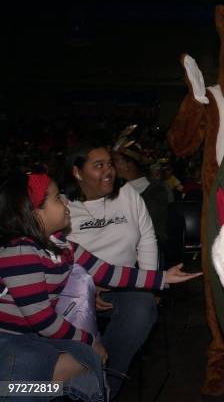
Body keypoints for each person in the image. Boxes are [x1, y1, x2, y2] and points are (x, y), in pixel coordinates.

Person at [0, 172, 201, 401]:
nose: (66, 201)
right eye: (57, 198)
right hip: (10, 339)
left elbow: (108, 272)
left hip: (36, 337)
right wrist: (89, 341)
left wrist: (162, 278)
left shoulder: (62, 246)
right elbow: (43, 320)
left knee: (88, 366)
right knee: (27, 382)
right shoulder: (19, 252)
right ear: (34, 213)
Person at [64, 141, 160, 398]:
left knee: (141, 306)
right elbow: (58, 258)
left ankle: (101, 387)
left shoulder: (127, 194)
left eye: (110, 164)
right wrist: (84, 291)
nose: (108, 171)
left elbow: (147, 240)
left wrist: (149, 283)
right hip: (75, 291)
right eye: (98, 166)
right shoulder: (62, 206)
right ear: (77, 172)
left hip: (124, 286)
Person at [112, 129, 170, 266]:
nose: (109, 167)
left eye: (113, 162)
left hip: (147, 253)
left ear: (127, 165)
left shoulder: (156, 190)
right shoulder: (111, 190)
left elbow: (143, 224)